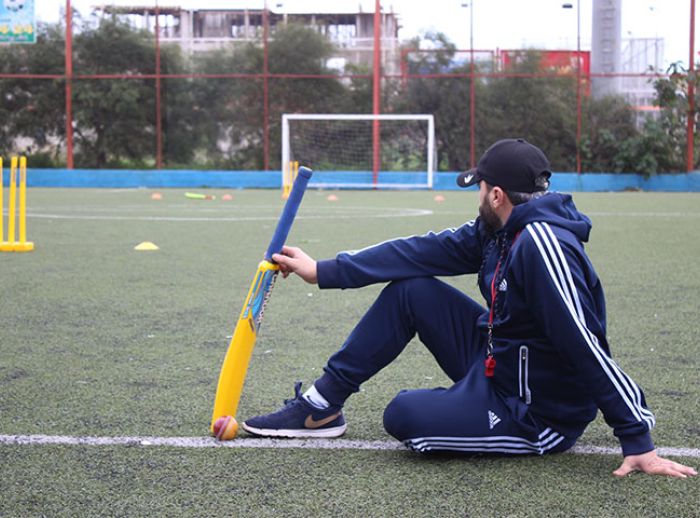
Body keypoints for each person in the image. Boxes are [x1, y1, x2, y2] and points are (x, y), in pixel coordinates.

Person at [242, 138, 697, 478]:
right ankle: (320, 406)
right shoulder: (499, 230)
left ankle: (492, 418)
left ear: (496, 195)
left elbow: (584, 340)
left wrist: (635, 435)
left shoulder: (540, 245)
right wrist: (324, 270)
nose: (476, 195)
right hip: (499, 362)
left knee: (404, 414)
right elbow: (419, 252)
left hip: (535, 410)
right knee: (412, 290)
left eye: (479, 187)